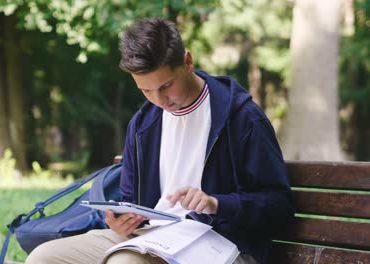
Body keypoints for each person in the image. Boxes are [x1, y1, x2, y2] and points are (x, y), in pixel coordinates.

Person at [25, 17, 295, 264]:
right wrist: (122, 222)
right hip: (150, 239)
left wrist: (217, 204)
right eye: (145, 90)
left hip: (222, 244)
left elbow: (279, 207)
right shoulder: (143, 124)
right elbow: (130, 199)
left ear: (187, 62)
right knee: (43, 258)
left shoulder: (242, 118)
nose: (159, 100)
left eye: (166, 86)